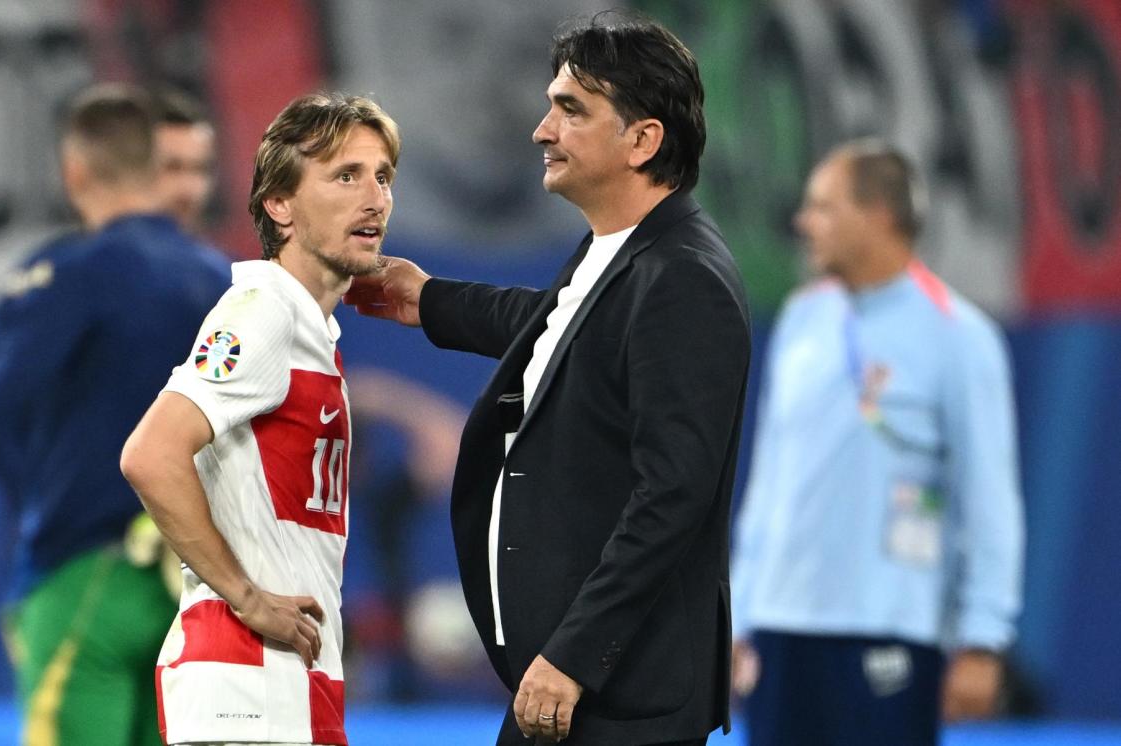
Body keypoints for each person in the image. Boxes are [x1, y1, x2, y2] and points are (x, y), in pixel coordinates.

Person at [344, 14, 749, 746]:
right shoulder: (628, 251)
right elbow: (566, 328)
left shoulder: (684, 278)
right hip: (583, 683)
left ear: (642, 140)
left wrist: (574, 655)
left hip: (615, 694)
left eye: (571, 109)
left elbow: (673, 496)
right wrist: (429, 301)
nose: (542, 130)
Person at [0, 83, 231, 744]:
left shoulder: (68, 274)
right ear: (154, 169)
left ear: (74, 173)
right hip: (200, 592)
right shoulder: (225, 282)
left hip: (86, 577)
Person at [119, 92, 399, 746]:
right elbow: (151, 454)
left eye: (383, 175)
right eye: (345, 175)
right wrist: (247, 597)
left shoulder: (306, 326)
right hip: (245, 683)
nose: (375, 197)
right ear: (280, 205)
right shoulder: (262, 311)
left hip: (287, 683)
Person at [730, 140, 1025, 746]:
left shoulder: (960, 337)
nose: (802, 222)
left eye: (822, 207)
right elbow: (770, 483)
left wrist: (983, 638)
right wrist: (737, 616)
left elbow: (990, 500)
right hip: (784, 630)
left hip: (891, 629)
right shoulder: (801, 320)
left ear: (878, 216)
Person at [152, 87, 217, 234]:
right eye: (171, 167)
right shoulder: (96, 253)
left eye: (200, 169)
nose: (188, 188)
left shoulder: (216, 257)